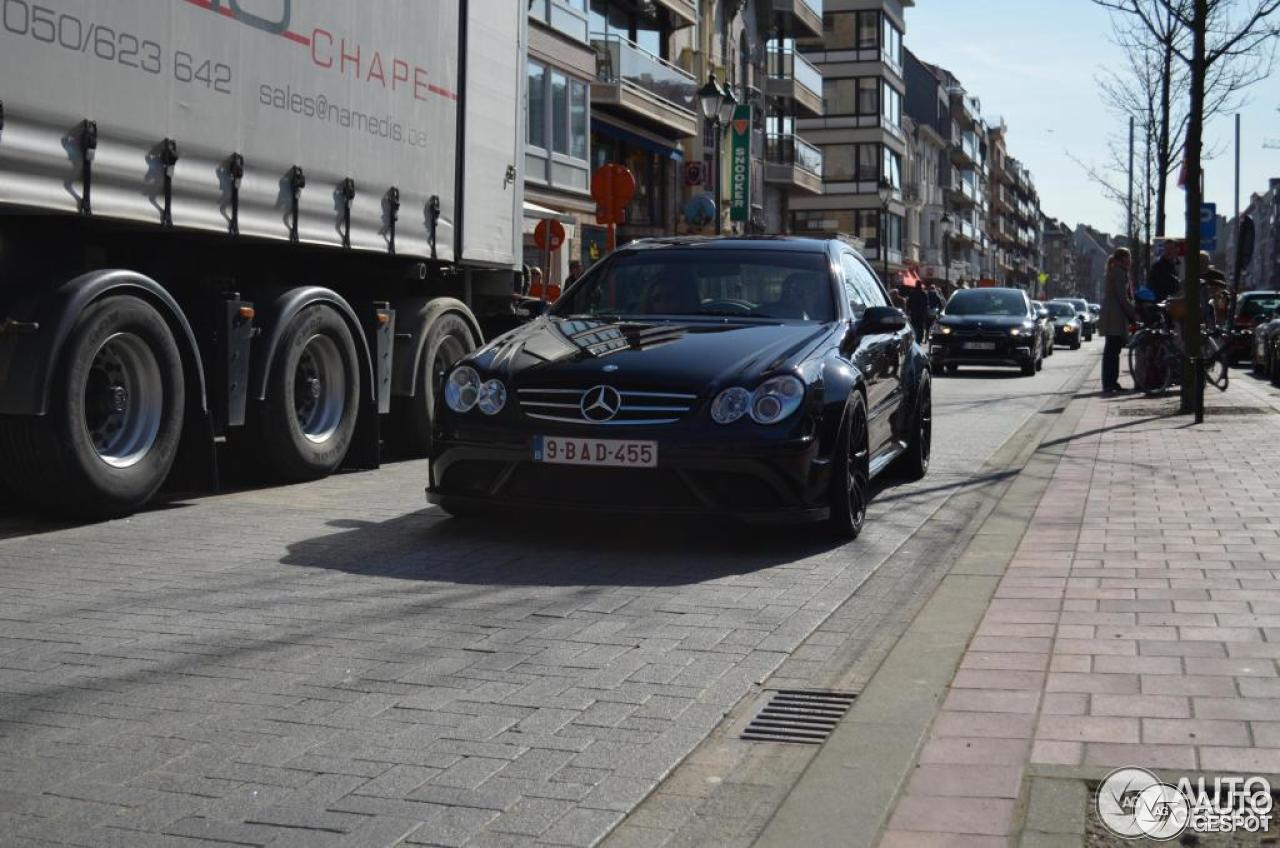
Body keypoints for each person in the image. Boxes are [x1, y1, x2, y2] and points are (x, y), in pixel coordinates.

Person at [1099, 247, 1135, 393]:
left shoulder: (1114, 271)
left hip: (1112, 314)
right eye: (1128, 258)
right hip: (1116, 316)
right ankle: (1110, 383)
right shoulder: (1119, 273)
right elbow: (1123, 297)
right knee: (1113, 351)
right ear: (1122, 259)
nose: (1130, 261)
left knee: (1111, 350)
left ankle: (1109, 382)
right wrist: (1133, 313)